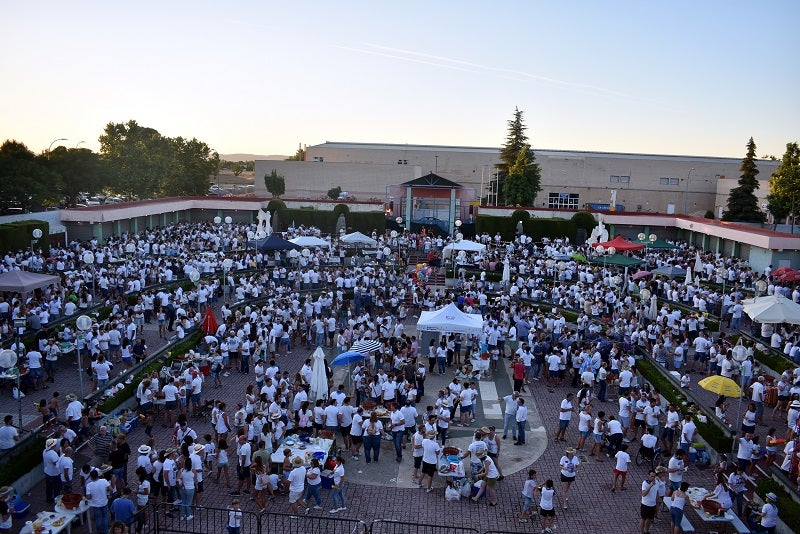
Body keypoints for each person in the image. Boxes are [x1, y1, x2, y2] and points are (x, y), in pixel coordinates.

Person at [86, 469, 112, 534]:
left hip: (95, 504)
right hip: (104, 502)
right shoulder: (104, 481)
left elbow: (88, 497)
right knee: (105, 517)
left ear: (91, 477)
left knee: (98, 518)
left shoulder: (89, 485)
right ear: (98, 475)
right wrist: (109, 495)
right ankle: (106, 531)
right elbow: (111, 489)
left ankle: (100, 531)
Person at [640, 469, 659, 534]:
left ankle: (646, 531)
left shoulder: (657, 483)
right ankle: (641, 532)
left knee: (649, 519)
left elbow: (656, 493)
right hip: (645, 504)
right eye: (651, 476)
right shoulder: (645, 483)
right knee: (643, 519)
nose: (653, 478)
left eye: (654, 476)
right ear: (649, 476)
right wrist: (650, 486)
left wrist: (657, 504)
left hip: (653, 505)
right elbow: (643, 494)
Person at [178, 453, 196, 520]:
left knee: (183, 501)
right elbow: (195, 480)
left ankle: (182, 515)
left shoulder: (182, 470)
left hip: (183, 488)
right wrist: (196, 485)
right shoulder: (193, 470)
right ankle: (188, 515)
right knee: (189, 502)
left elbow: (179, 478)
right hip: (190, 488)